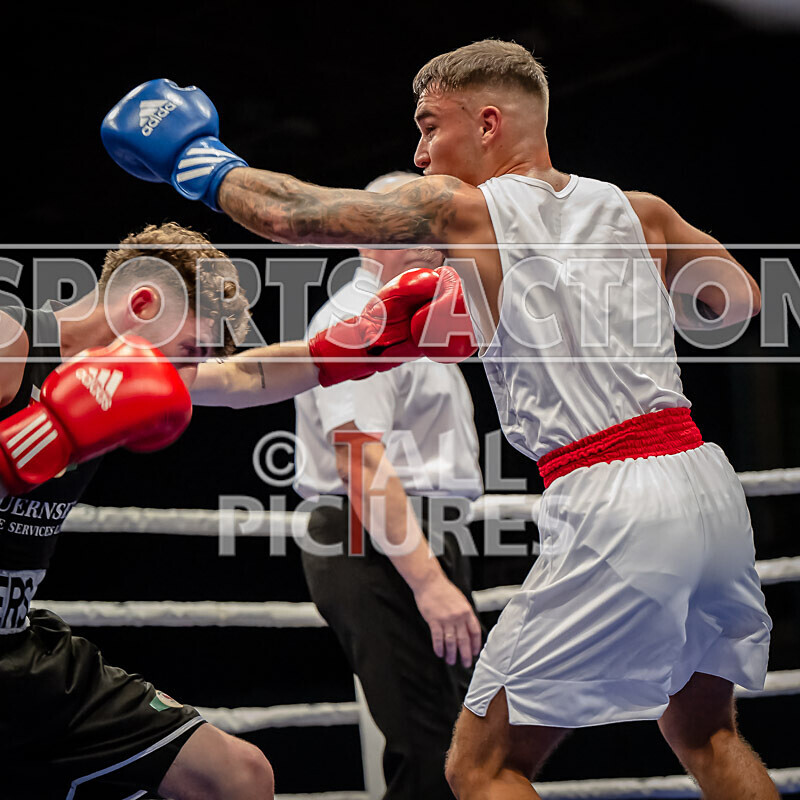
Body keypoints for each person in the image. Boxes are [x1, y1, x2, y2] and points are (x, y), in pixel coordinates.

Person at [103, 41, 776, 800]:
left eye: (429, 127)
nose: (422, 155)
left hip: (614, 498)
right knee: (704, 731)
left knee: (480, 768)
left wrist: (198, 159)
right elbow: (741, 302)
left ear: (487, 123)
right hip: (708, 493)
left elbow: (291, 214)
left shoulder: (463, 212)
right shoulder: (639, 213)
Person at [0, 221, 469, 800]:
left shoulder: (129, 375)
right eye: (191, 351)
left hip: (19, 647)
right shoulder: (11, 344)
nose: (190, 375)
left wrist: (378, 341)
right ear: (143, 304)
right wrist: (30, 446)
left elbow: (248, 375)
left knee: (240, 777)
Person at [294, 170, 483, 800]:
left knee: (456, 742)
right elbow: (360, 460)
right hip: (374, 536)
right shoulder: (358, 317)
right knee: (430, 746)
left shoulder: (416, 319)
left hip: (407, 534)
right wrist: (429, 582)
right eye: (421, 220)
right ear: (372, 231)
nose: (438, 235)